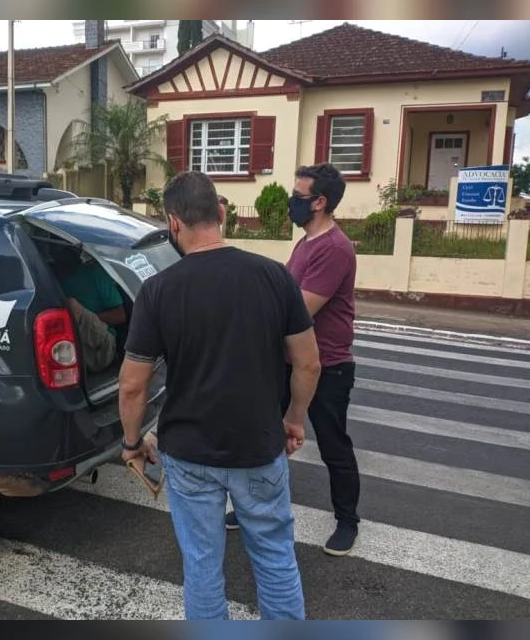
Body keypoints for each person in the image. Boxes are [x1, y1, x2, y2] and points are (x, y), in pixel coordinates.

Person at [117, 170, 322, 620]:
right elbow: (308, 363)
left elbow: (133, 384)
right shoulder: (273, 277)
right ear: (222, 214)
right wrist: (293, 418)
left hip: (189, 455)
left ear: (173, 223)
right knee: (274, 558)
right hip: (259, 446)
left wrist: (132, 444)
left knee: (203, 566)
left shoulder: (157, 291)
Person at [224, 162, 361, 556]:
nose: (291, 203)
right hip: (288, 362)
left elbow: (297, 310)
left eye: (298, 197)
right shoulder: (306, 242)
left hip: (327, 365)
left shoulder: (334, 248)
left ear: (320, 202)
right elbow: (280, 291)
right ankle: (251, 509)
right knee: (265, 438)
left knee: (334, 445)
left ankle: (348, 521)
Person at [53, 248, 125, 372]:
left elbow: (120, 316)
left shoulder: (94, 273)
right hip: (69, 351)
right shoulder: (50, 280)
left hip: (101, 348)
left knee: (71, 305)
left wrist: (84, 318)